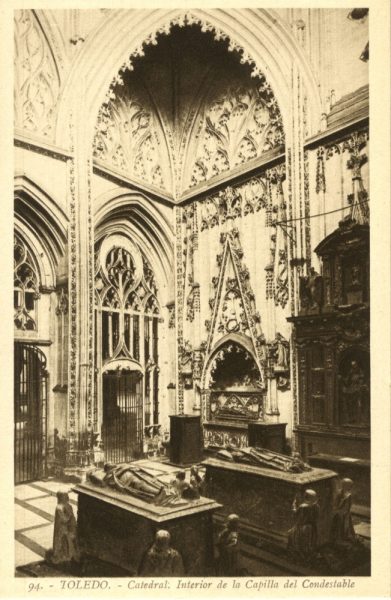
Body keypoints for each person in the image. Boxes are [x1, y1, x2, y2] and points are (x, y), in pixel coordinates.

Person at [48, 491, 79, 565]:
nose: (68, 498)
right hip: (61, 528)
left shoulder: (67, 505)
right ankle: (60, 556)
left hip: (67, 527)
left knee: (67, 541)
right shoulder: (59, 507)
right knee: (61, 541)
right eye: (66, 496)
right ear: (62, 497)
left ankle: (68, 555)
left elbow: (71, 518)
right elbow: (64, 519)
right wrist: (69, 515)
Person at [288, 489, 319, 558]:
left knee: (292, 535)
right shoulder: (316, 506)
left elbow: (295, 514)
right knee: (309, 542)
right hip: (312, 527)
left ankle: (299, 554)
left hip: (302, 527)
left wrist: (294, 505)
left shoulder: (303, 506)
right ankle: (308, 554)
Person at [331, 478, 356, 544]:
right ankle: (339, 538)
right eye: (349, 485)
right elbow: (336, 505)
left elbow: (349, 504)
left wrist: (347, 511)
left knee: (347, 525)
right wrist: (342, 502)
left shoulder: (348, 494)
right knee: (340, 526)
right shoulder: (339, 494)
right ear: (344, 485)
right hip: (340, 513)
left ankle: (347, 536)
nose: (351, 487)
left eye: (351, 486)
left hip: (346, 513)